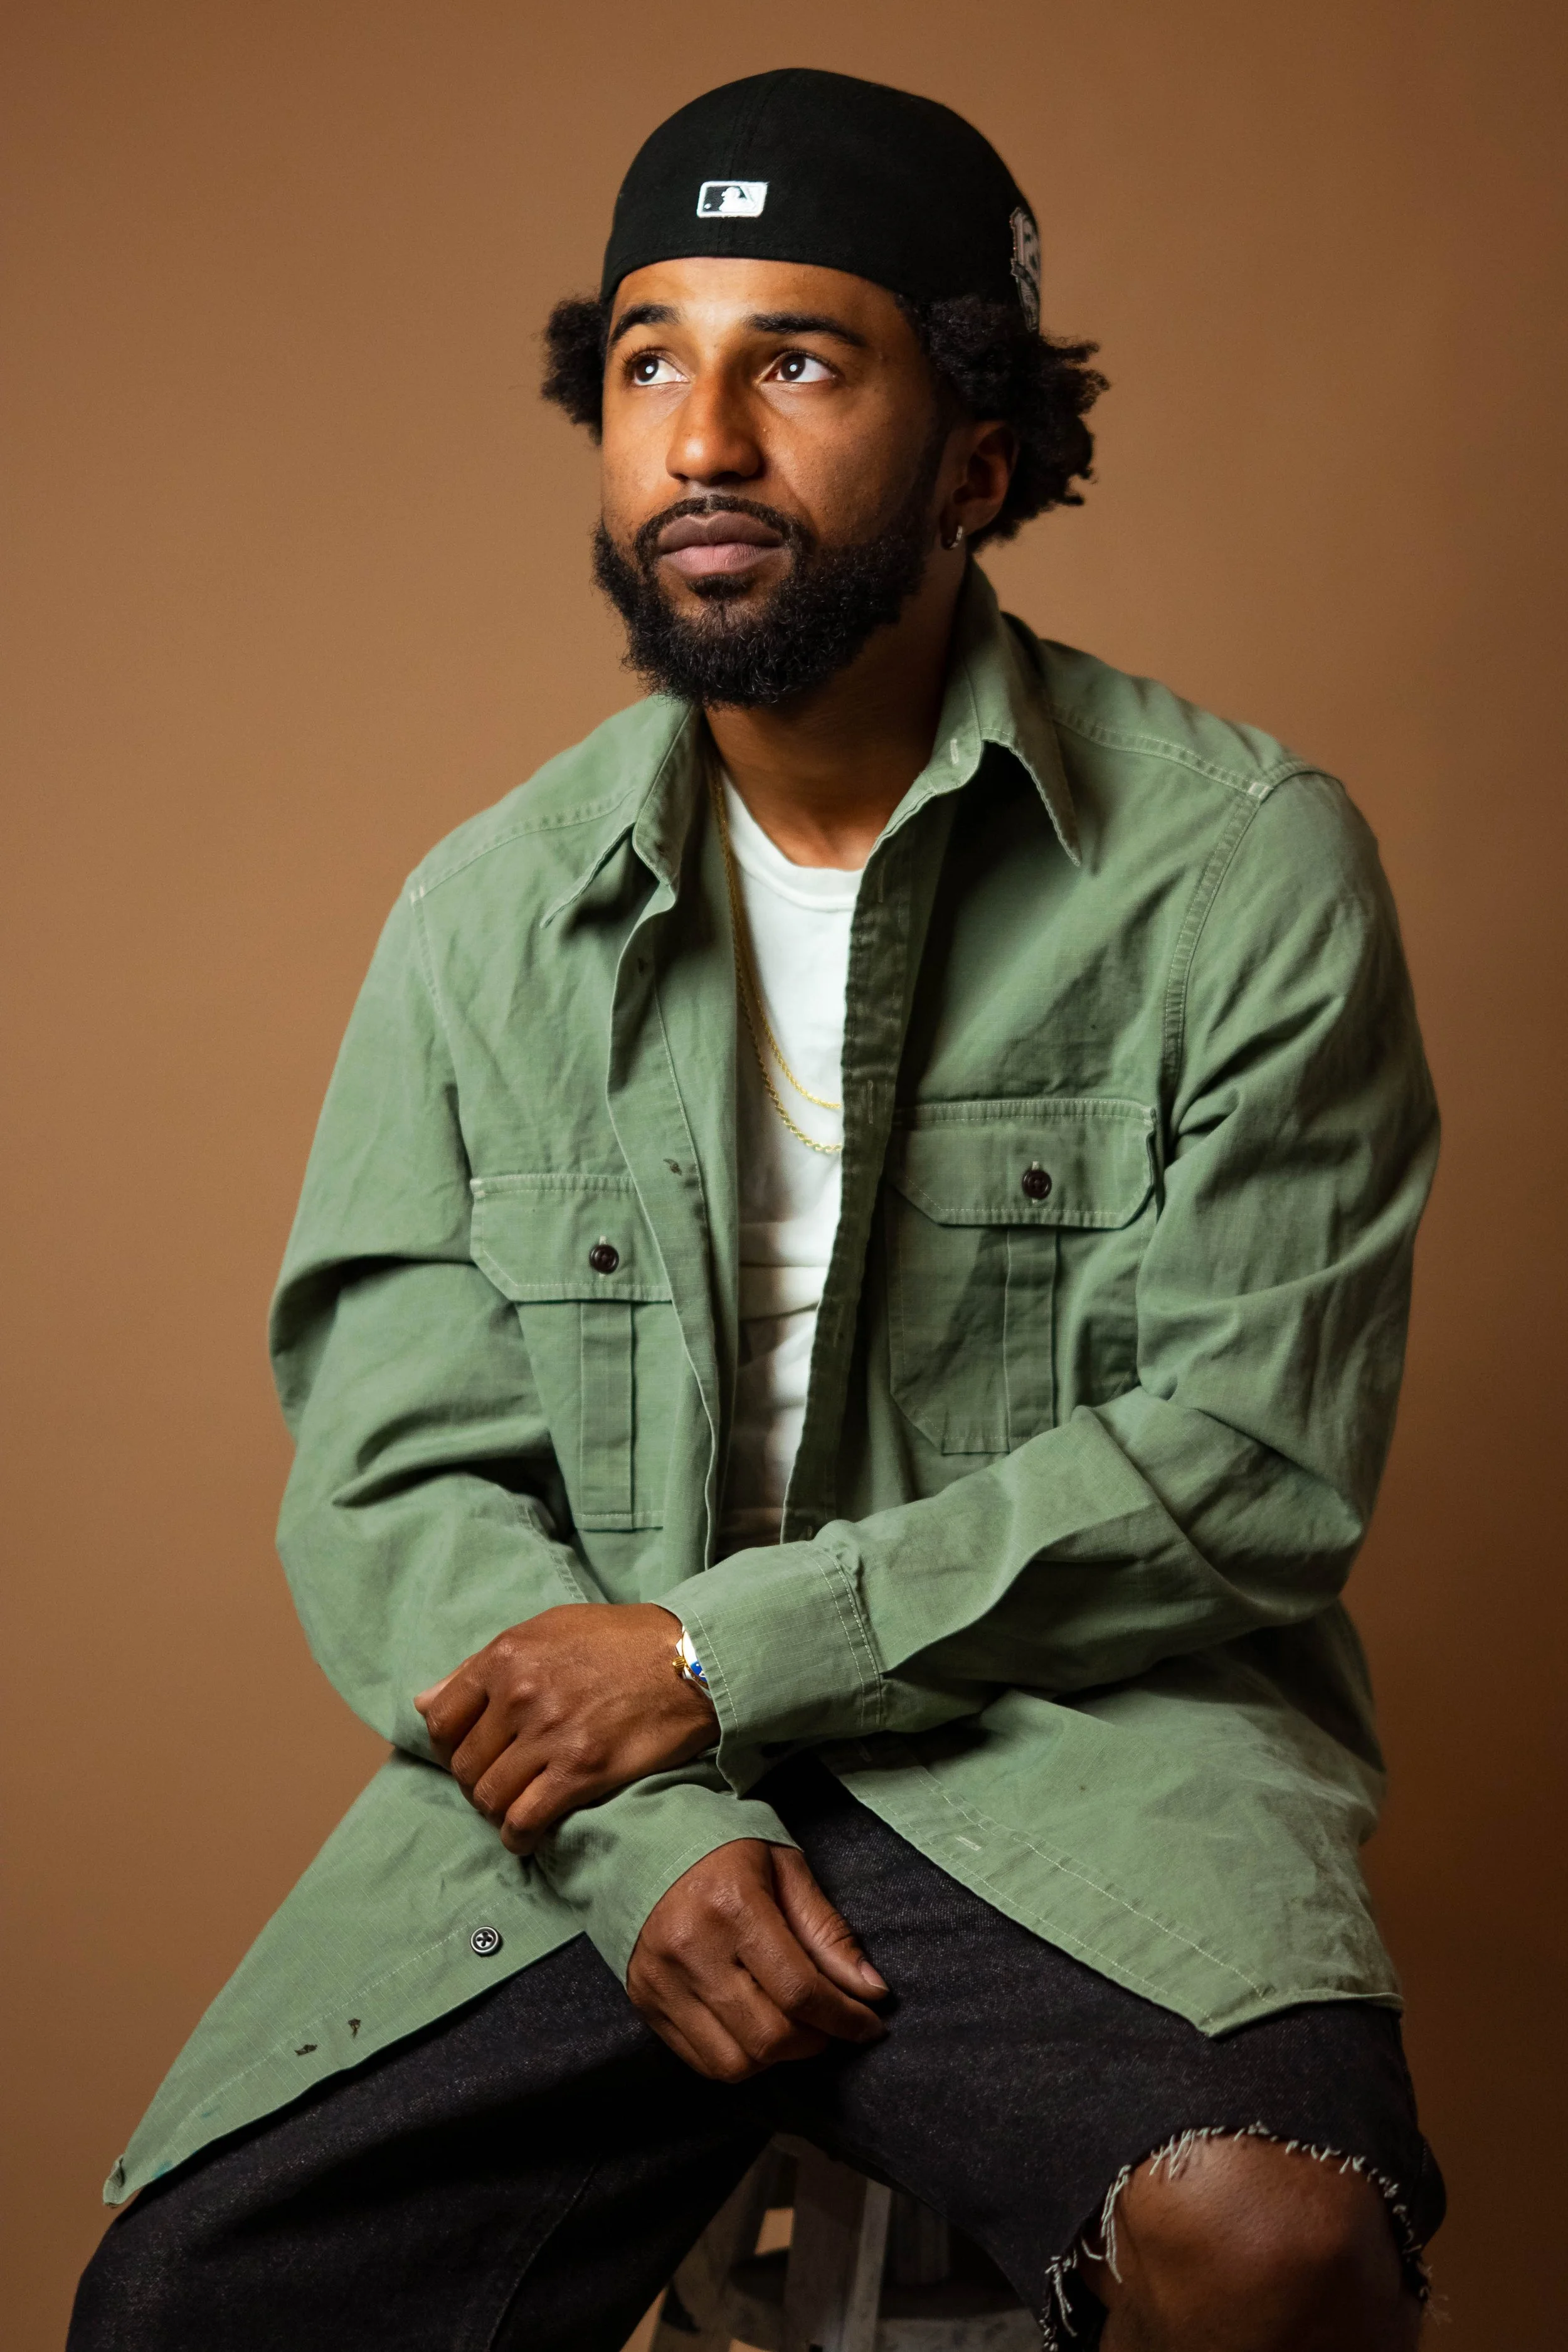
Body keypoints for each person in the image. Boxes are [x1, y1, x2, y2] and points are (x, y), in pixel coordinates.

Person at [70, 68, 1445, 2352]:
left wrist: (717, 1660)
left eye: (795, 360)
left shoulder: (1231, 863)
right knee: (193, 2300)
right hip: (594, 1796)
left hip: (1074, 1761)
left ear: (976, 457)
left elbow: (1249, 1461)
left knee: (1271, 2251)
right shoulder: (484, 914)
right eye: (645, 363)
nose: (699, 437)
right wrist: (646, 1823)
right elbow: (401, 1472)